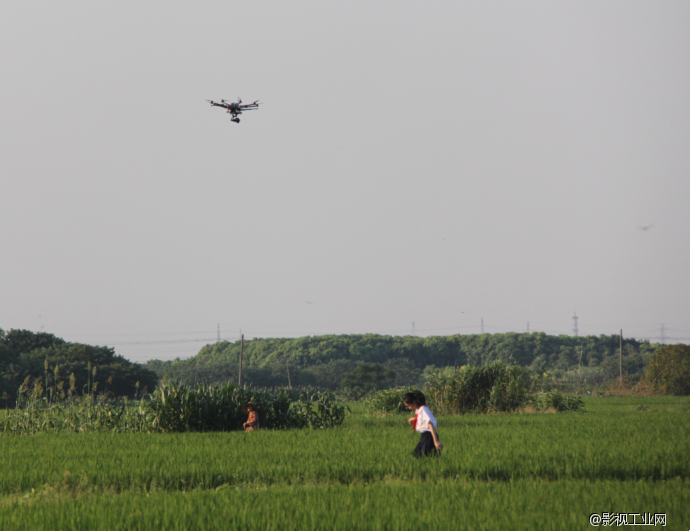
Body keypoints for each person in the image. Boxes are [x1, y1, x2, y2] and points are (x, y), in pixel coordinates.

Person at [404, 390, 443, 457]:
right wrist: (414, 419)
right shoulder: (419, 410)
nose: (409, 408)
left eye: (408, 405)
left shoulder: (424, 409)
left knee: (424, 456)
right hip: (424, 436)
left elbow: (430, 424)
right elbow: (422, 419)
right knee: (417, 455)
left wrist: (436, 441)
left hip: (429, 436)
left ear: (414, 402)